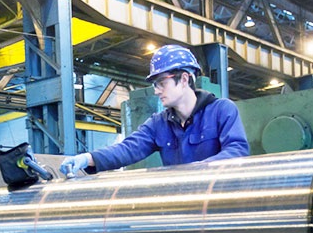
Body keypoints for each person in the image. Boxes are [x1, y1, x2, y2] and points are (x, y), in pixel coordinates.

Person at [60, 44, 249, 177]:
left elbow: (237, 150)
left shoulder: (221, 111)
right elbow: (128, 149)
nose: (157, 90)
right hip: (183, 205)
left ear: (184, 79)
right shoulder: (159, 124)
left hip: (219, 204)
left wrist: (199, 170)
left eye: (161, 83)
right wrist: (89, 158)